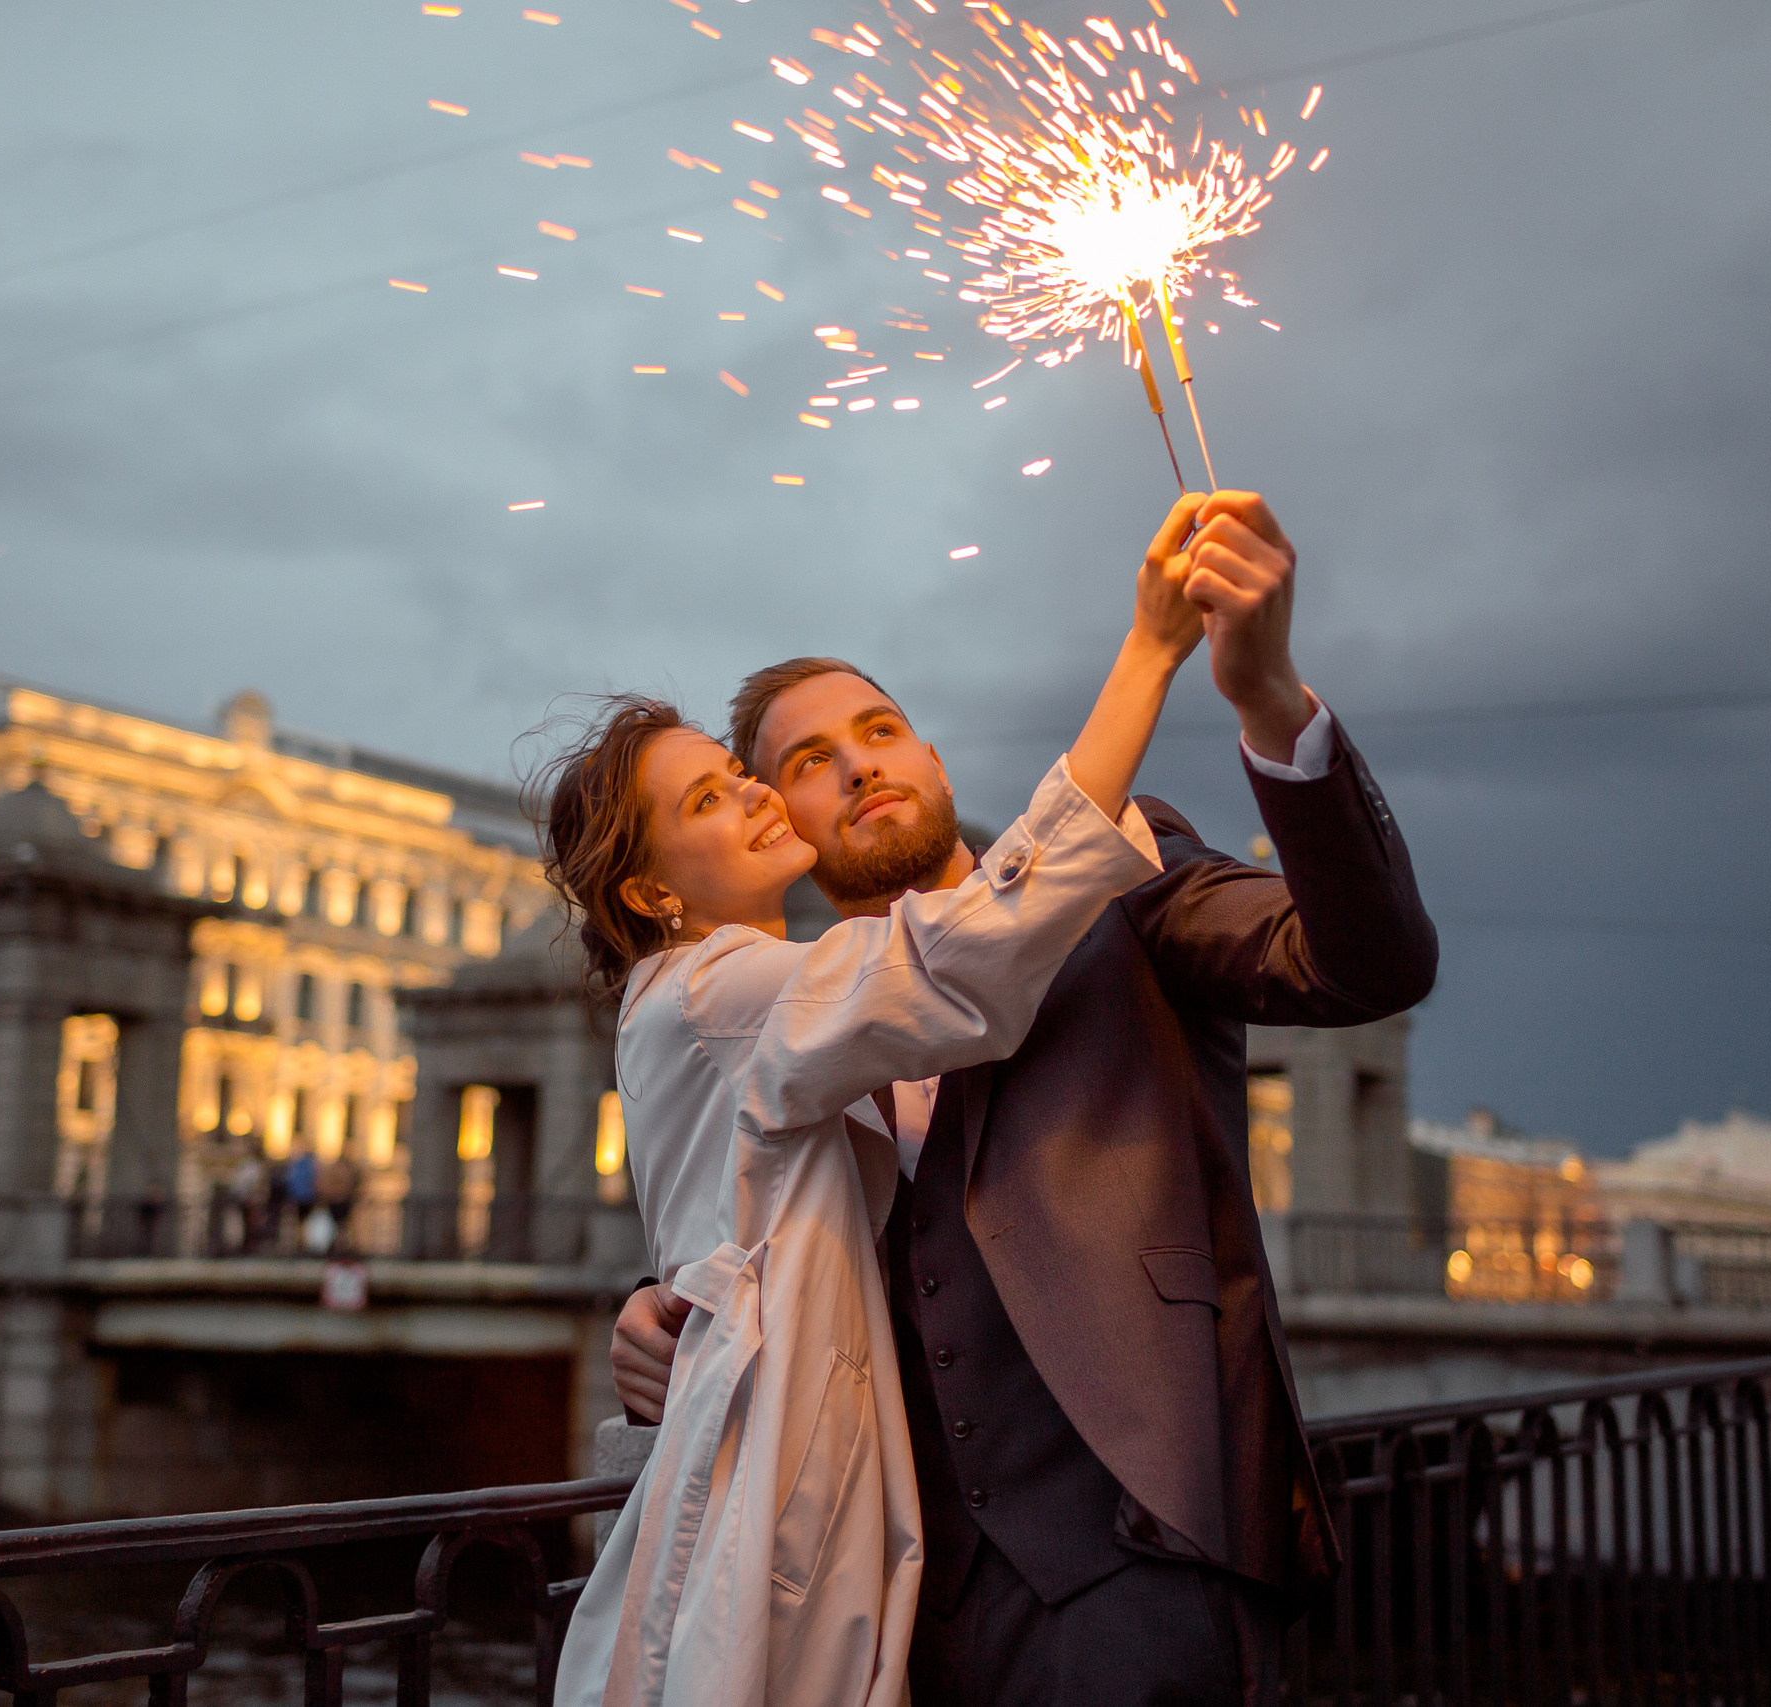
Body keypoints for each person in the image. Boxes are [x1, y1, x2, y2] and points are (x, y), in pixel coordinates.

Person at [611, 490, 1439, 1707]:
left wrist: (1271, 703)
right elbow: (760, 1228)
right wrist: (657, 1312)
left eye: (880, 731)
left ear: (933, 763)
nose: (859, 765)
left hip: (1149, 1553)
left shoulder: (1123, 872)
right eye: (809, 763)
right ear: (779, 821)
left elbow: (1368, 963)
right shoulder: (794, 1017)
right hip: (903, 1606)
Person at [542, 499, 1218, 1707]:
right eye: (710, 802)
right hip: (793, 1488)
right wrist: (1150, 653)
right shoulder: (720, 990)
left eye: (740, 778)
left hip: (898, 1506)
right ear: (649, 893)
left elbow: (745, 1210)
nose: (756, 798)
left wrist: (658, 1302)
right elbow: (971, 958)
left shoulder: (750, 995)